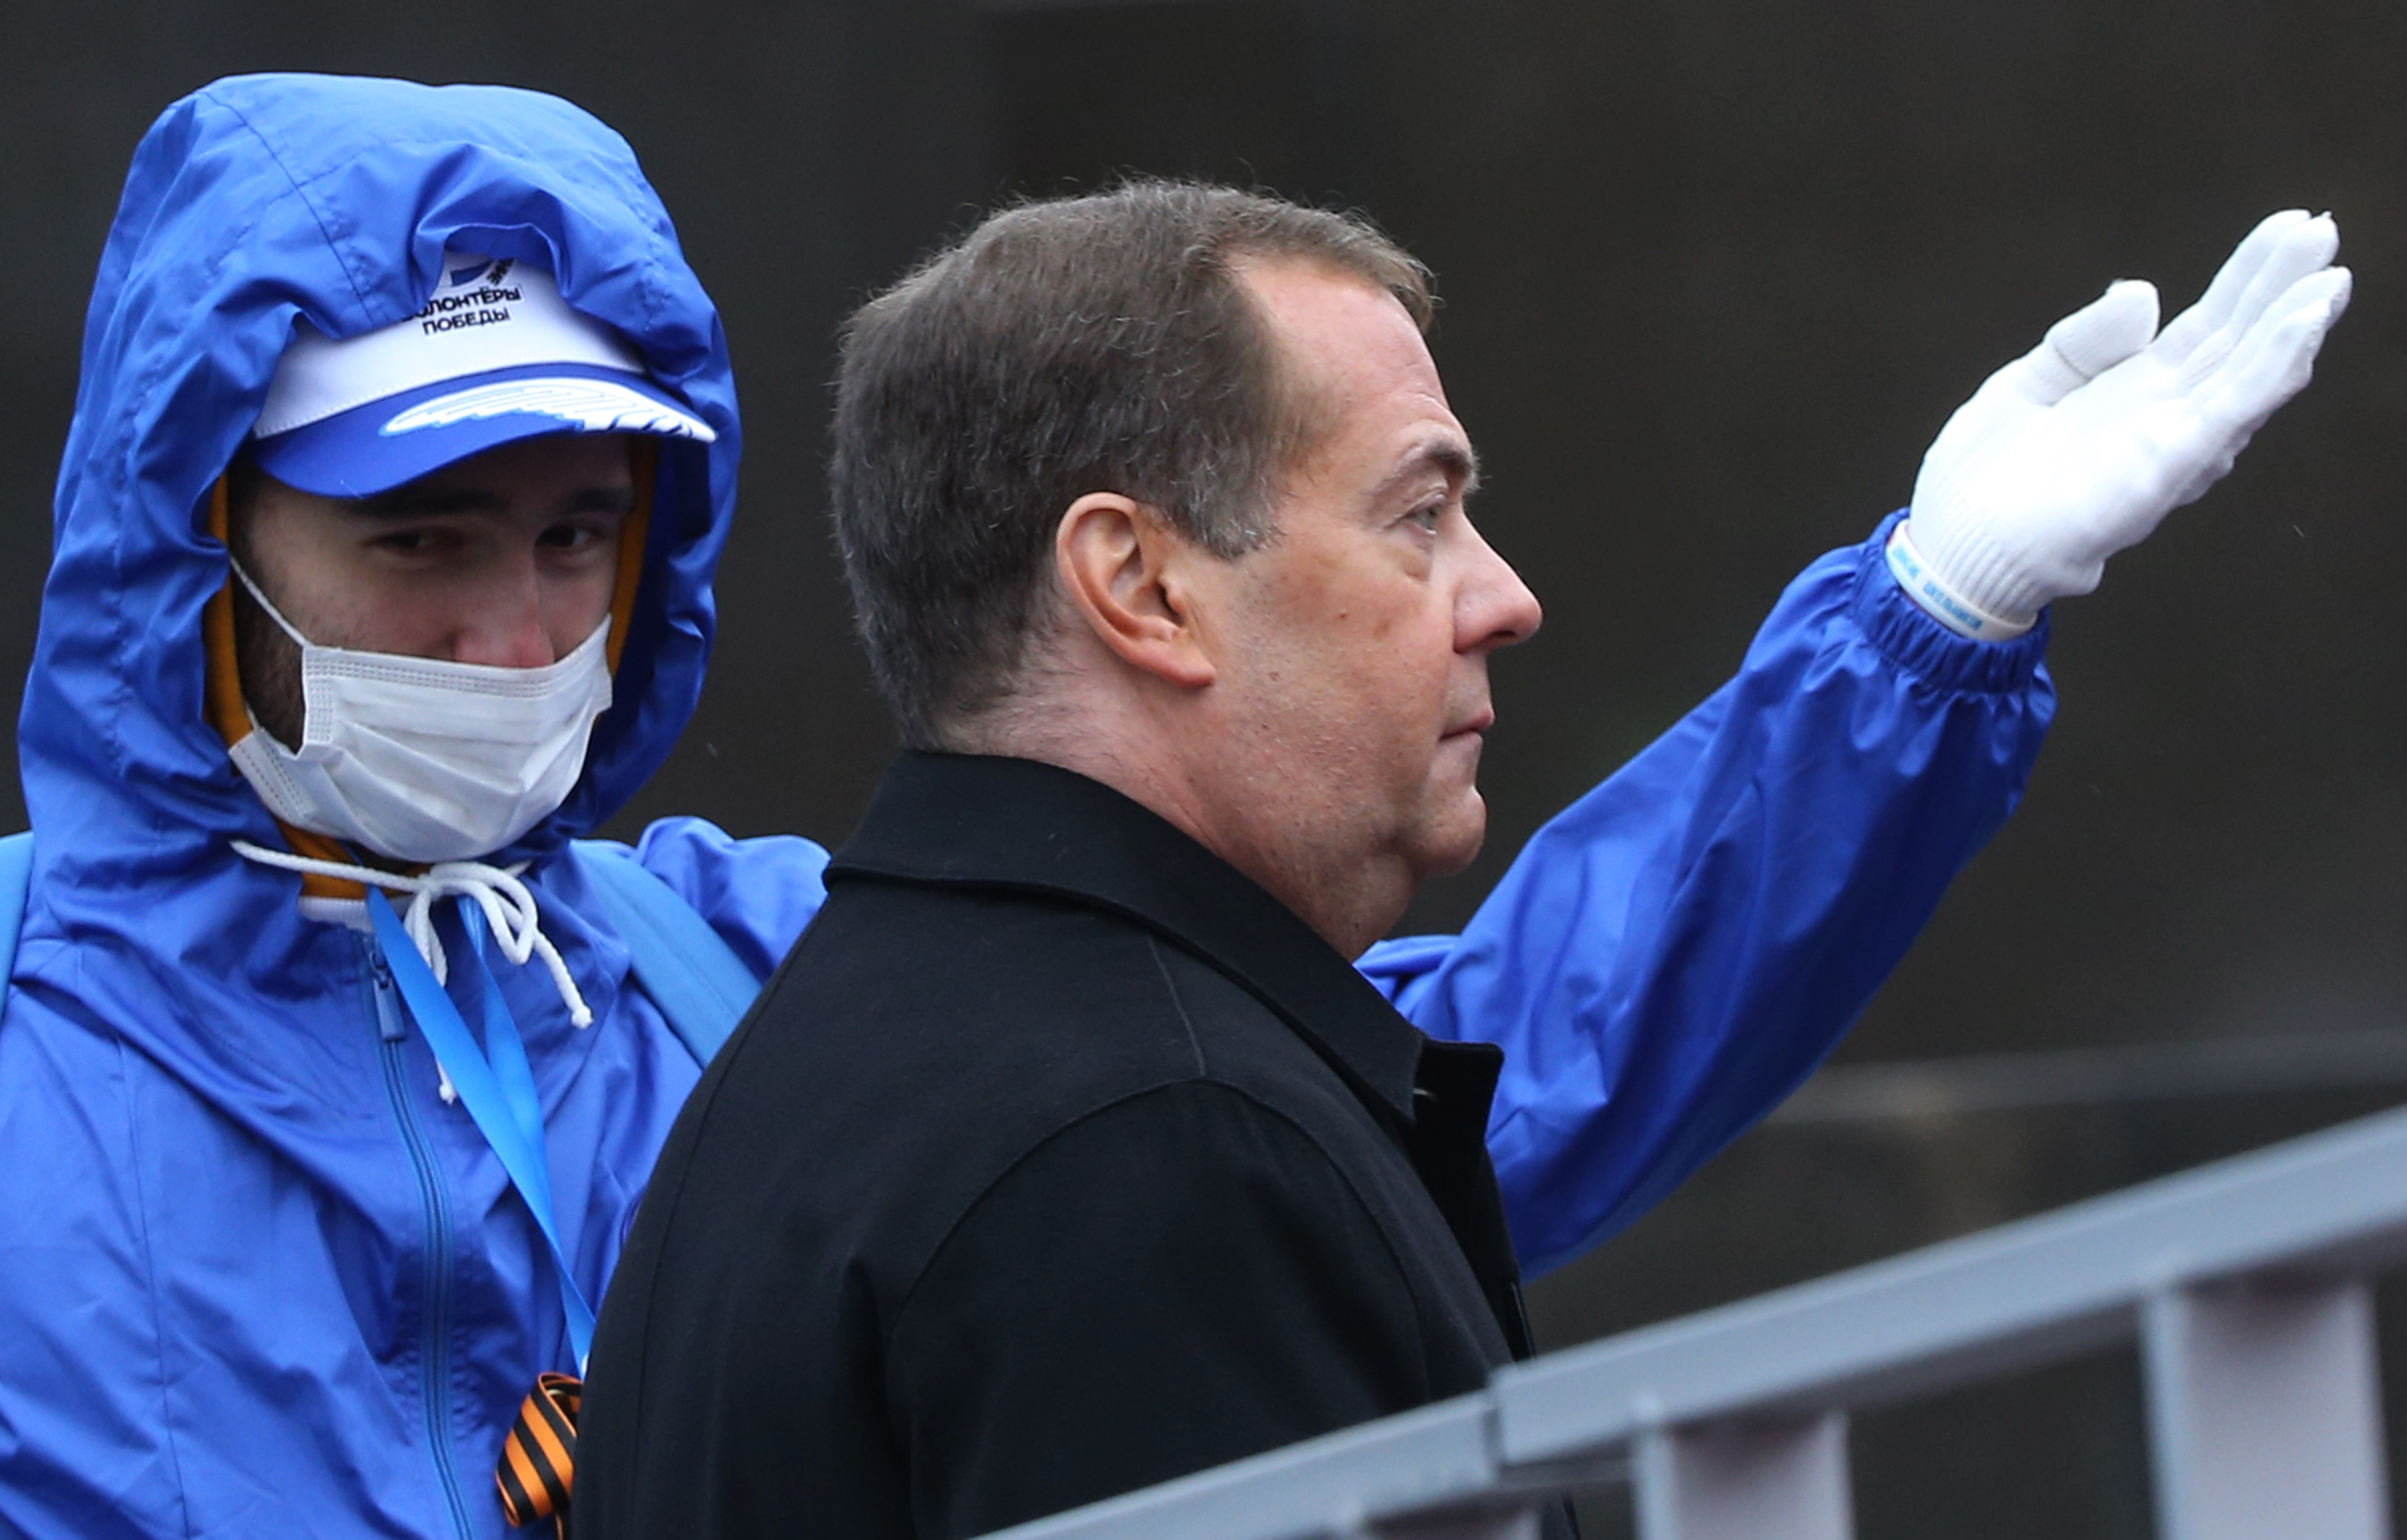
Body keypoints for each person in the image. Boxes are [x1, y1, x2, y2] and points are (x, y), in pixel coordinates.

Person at [0, 69, 2339, 1540]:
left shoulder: (747, 965)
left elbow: (1430, 1083)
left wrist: (1917, 628)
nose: (519, 630)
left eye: (576, 538)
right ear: (192, 546)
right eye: (420, 539)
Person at [572, 184, 2347, 1538]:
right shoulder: (1152, 1138)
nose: (1503, 596)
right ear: (1141, 586)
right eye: (1419, 514)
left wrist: (1929, 624)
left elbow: (1542, 1024)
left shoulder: (834, 1071)